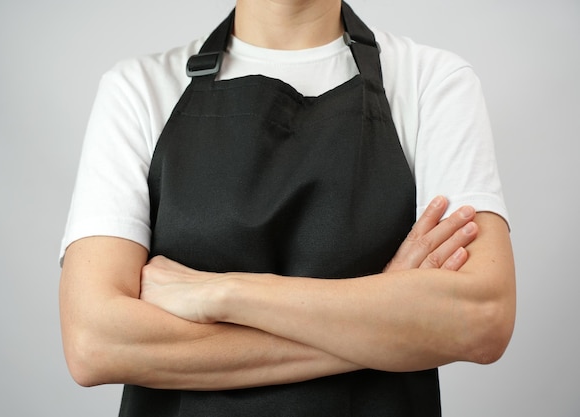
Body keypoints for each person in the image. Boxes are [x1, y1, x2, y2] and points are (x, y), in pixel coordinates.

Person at [59, 1, 515, 416]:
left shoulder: (432, 81)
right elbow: (94, 343)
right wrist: (387, 321)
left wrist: (223, 294)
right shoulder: (138, 90)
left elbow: (481, 319)